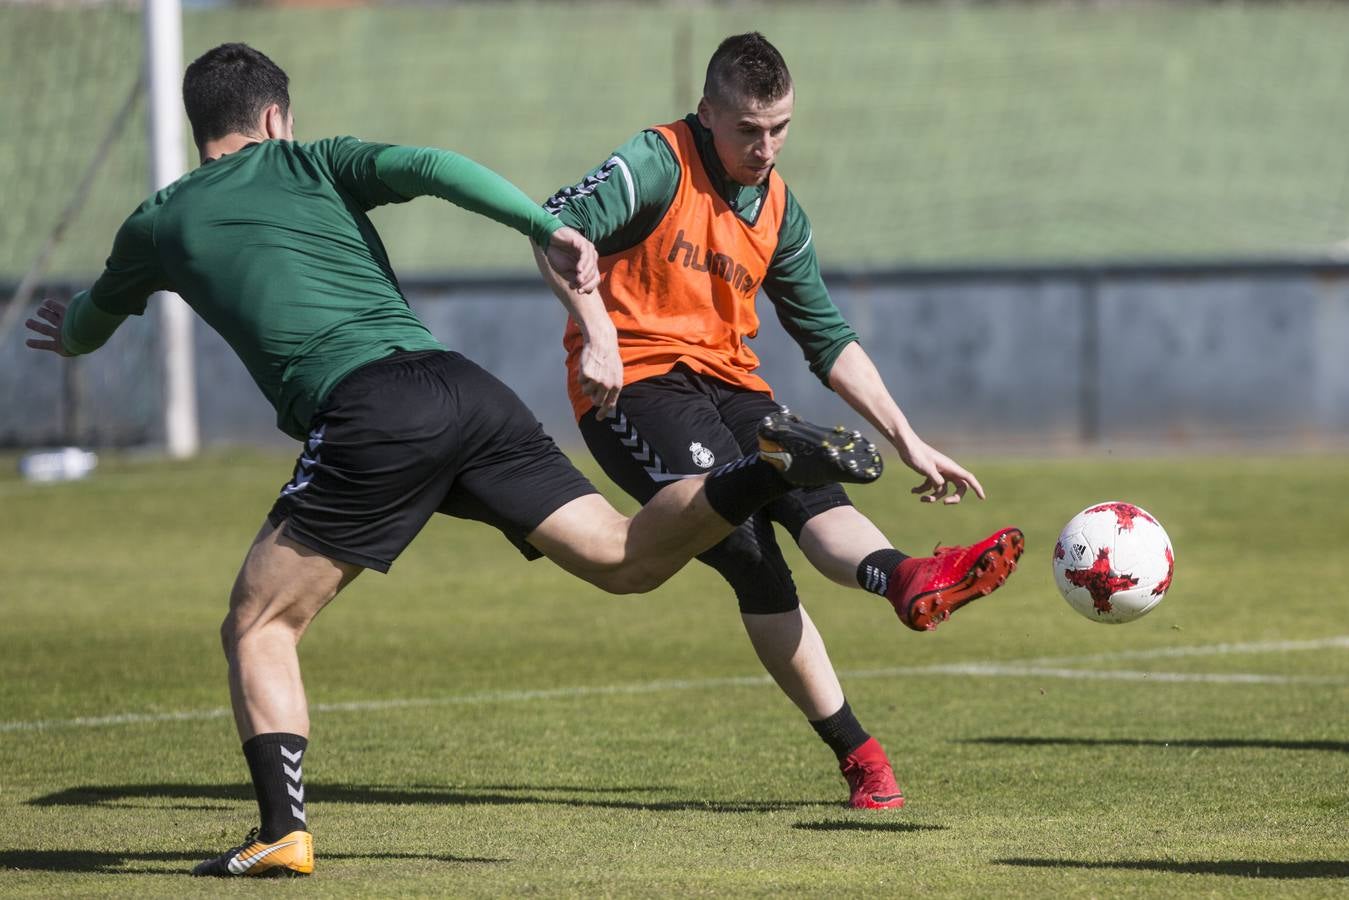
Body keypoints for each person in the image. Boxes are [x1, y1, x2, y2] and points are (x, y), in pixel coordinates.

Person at [24, 43, 887, 878]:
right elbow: (434, 165)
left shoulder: (159, 221)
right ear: (277, 117)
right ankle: (764, 469)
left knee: (259, 623)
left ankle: (282, 832)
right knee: (623, 559)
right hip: (464, 388)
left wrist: (64, 332)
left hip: (368, 411)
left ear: (197, 129)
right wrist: (545, 226)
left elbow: (91, 321)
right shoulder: (315, 161)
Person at [537, 32, 1024, 811]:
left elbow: (826, 336)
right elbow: (552, 229)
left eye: (780, 128)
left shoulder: (779, 206)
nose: (765, 148)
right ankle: (859, 752)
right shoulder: (655, 161)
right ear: (707, 114)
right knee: (749, 550)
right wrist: (595, 333)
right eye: (747, 131)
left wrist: (909, 440)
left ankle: (909, 579)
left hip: (733, 385)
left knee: (812, 499)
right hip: (640, 386)